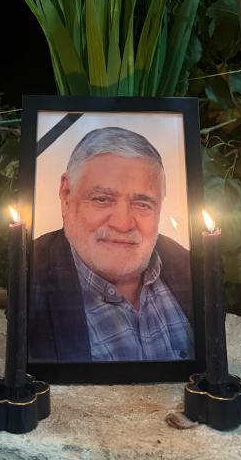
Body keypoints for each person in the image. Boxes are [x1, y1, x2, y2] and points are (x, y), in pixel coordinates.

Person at [29, 126, 194, 363]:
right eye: (102, 199)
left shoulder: (190, 267)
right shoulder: (29, 279)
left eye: (142, 204)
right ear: (66, 195)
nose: (123, 224)